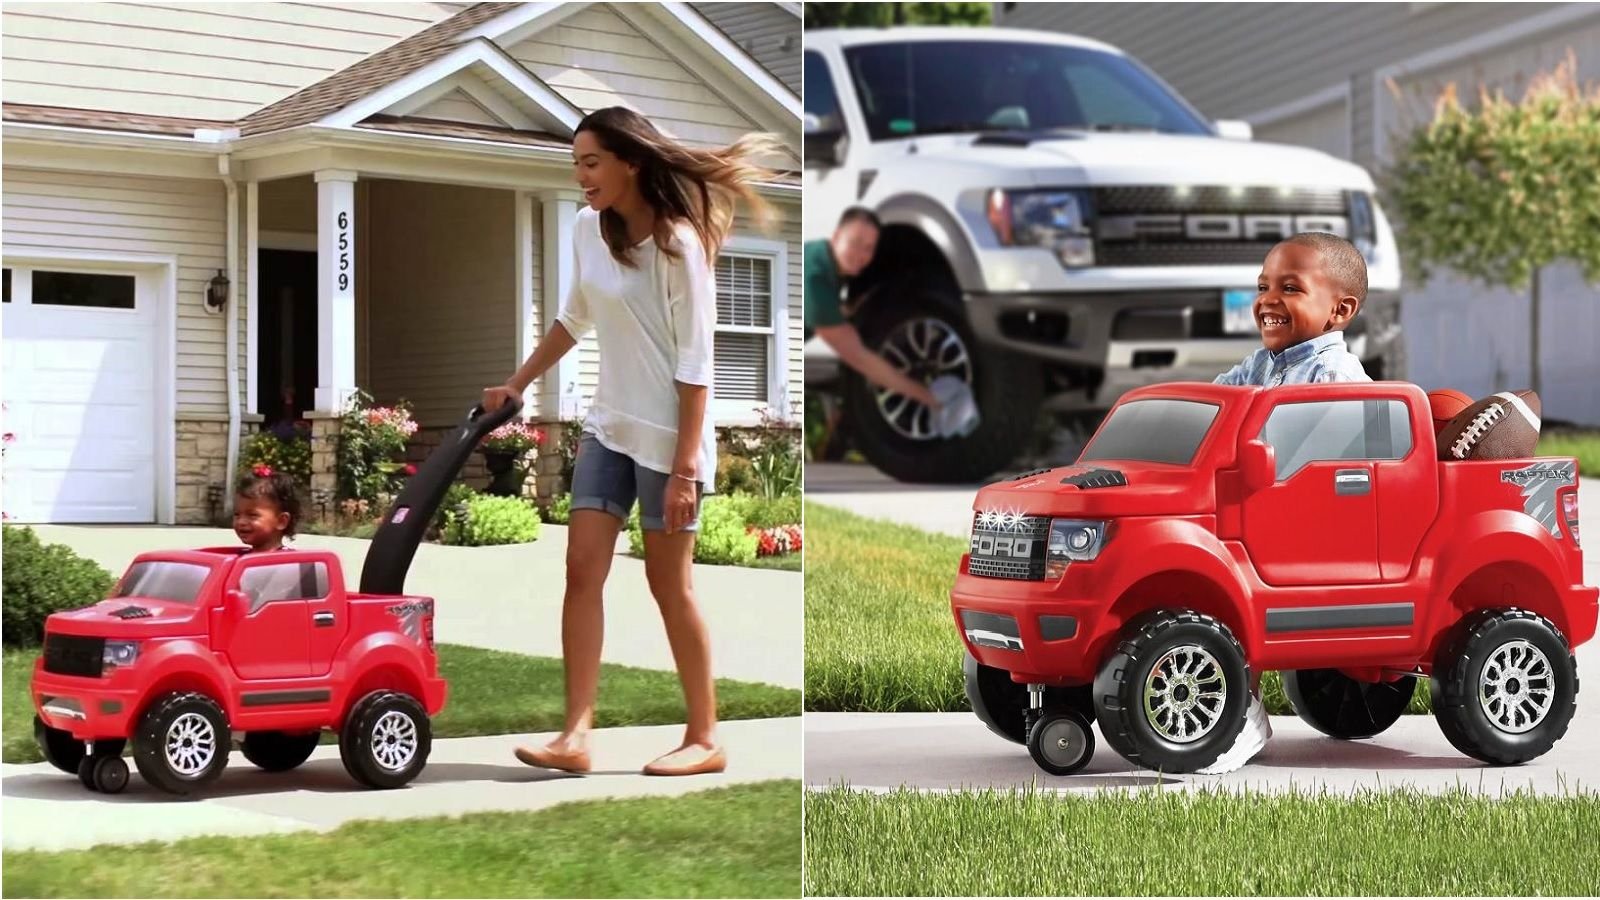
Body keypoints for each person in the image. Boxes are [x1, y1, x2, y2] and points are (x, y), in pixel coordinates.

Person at [483, 106, 780, 777]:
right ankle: (575, 735)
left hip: (672, 440)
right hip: (610, 427)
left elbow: (697, 364)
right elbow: (573, 317)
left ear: (631, 163)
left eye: (592, 163)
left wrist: (683, 470)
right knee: (580, 569)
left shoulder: (678, 244)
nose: (582, 176)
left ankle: (705, 737)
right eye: (576, 165)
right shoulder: (588, 229)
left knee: (667, 585)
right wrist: (515, 384)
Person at [1204, 231, 1372, 774]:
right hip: (1266, 510)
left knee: (1228, 584)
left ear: (1339, 310)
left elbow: (1321, 465)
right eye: (1263, 286)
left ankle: (1236, 712)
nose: (1268, 300)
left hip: (1321, 528)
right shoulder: (1257, 367)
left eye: (1290, 288)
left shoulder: (1336, 376)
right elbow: (1213, 411)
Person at [805, 207, 940, 409]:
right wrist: (929, 397)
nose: (861, 255)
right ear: (836, 236)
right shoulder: (814, 277)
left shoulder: (822, 258)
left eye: (869, 248)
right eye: (856, 243)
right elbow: (860, 358)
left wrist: (842, 310)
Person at [234, 465, 300, 553]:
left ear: (281, 521)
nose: (241, 522)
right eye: (237, 515)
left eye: (252, 515)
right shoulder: (237, 558)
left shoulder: (289, 562)